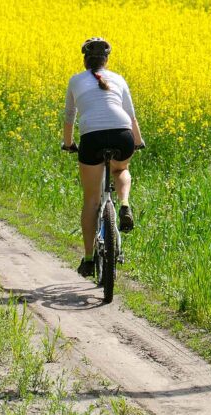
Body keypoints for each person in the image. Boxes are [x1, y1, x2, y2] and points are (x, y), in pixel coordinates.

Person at [62, 37, 145, 278]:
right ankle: (125, 204)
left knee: (91, 201)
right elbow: (131, 117)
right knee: (120, 170)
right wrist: (137, 141)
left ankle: (88, 259)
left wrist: (68, 144)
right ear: (106, 60)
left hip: (92, 139)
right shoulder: (118, 79)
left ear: (85, 60)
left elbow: (69, 117)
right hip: (122, 135)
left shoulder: (76, 80)